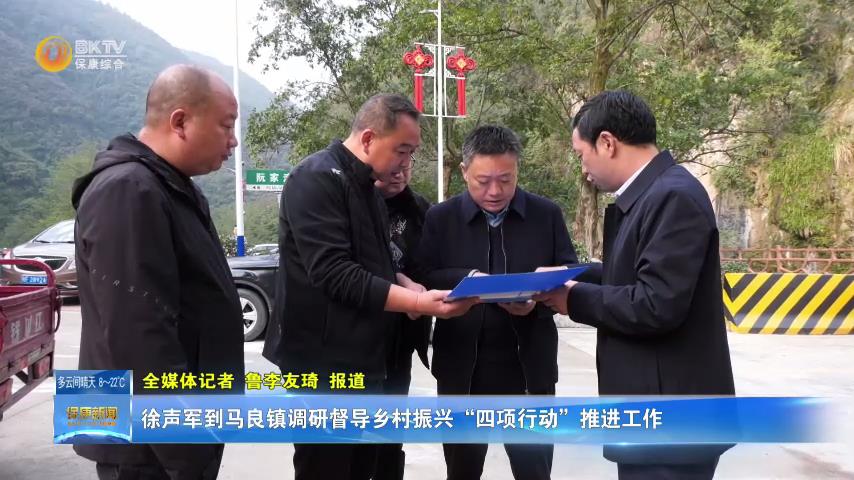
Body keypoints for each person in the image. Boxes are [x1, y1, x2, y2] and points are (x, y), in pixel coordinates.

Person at [262, 93, 476, 480]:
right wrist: (416, 302)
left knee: (368, 464)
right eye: (402, 150)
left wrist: (408, 284)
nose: (405, 163)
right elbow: (334, 272)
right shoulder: (315, 179)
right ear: (367, 139)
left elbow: (376, 264)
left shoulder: (366, 189)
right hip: (324, 367)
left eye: (411, 153)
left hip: (368, 360)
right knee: (327, 468)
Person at [535, 90, 736, 480]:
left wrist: (571, 298)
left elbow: (655, 304)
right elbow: (630, 276)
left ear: (607, 143)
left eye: (582, 155)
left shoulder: (673, 197)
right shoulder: (651, 196)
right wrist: (568, 274)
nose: (584, 169)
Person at [71, 65, 245, 479]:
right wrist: (186, 450)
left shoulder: (170, 187)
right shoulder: (127, 189)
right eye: (226, 125)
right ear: (180, 122)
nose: (233, 140)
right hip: (147, 441)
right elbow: (137, 334)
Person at [415, 125, 586, 480]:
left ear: (517, 170)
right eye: (483, 181)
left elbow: (567, 273)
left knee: (534, 470)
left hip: (528, 367)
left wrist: (536, 301)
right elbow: (424, 275)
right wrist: (469, 279)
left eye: (505, 180)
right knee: (461, 470)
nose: (495, 191)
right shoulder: (441, 218)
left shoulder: (545, 214)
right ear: (464, 172)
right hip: (463, 369)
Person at [372, 155, 432, 480]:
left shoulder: (420, 209)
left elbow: (430, 264)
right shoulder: (354, 203)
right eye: (392, 169)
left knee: (391, 427)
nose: (399, 175)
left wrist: (423, 289)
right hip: (359, 336)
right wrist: (400, 283)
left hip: (401, 336)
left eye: (406, 167)